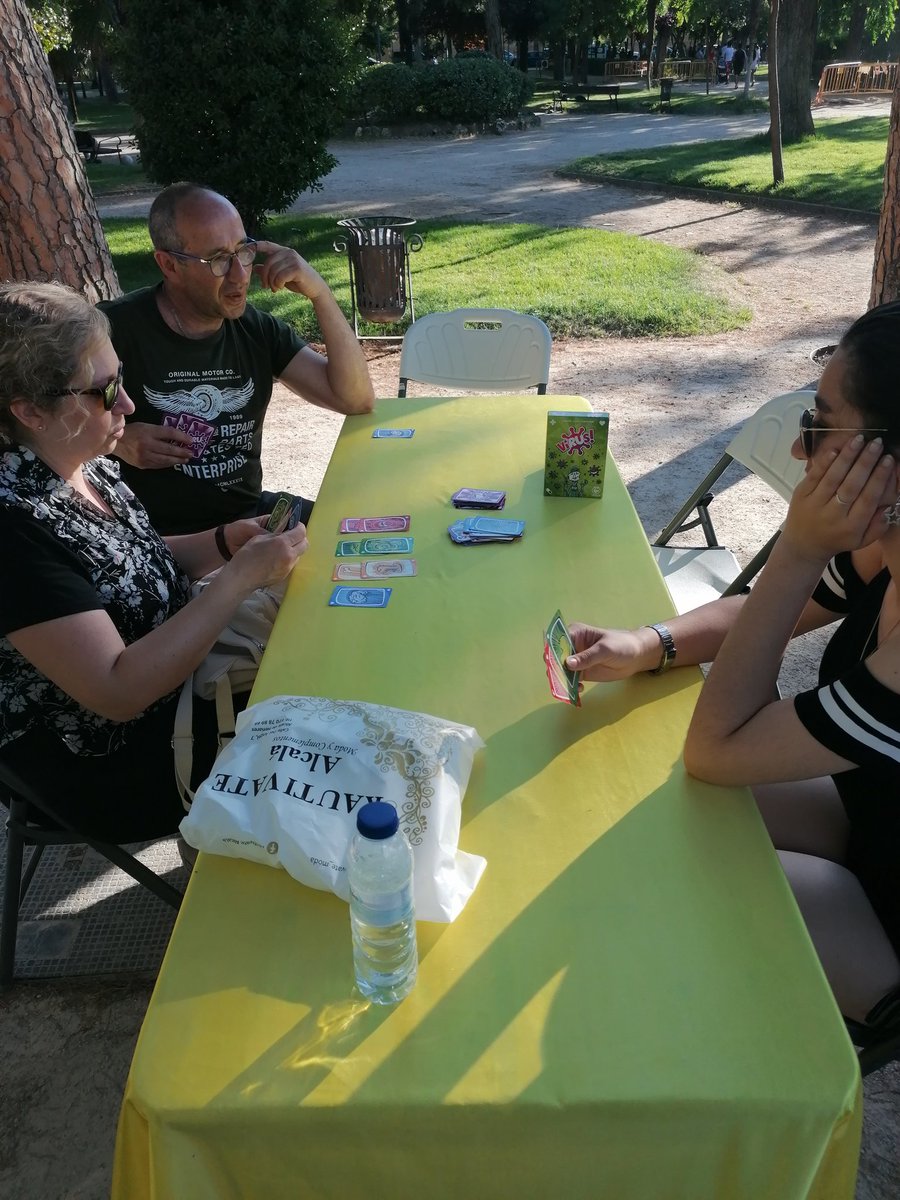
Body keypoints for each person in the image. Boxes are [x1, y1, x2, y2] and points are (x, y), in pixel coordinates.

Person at [565, 301, 900, 1025]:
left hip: (890, 927)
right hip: (868, 814)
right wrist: (648, 644)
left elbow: (714, 748)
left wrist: (802, 548)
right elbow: (756, 611)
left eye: (819, 426)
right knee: (638, 816)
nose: (801, 453)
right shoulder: (885, 547)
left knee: (660, 887)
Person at [0, 282, 308, 843]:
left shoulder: (78, 459)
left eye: (121, 378)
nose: (128, 405)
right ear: (30, 412)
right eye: (104, 390)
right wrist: (237, 579)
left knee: (327, 644)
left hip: (181, 686)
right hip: (111, 766)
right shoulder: (12, 530)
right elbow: (118, 693)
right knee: (322, 718)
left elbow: (122, 569)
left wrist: (221, 542)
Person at [100, 182, 375, 535]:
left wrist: (319, 292)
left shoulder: (255, 330)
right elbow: (40, 423)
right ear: (168, 265)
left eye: (244, 251)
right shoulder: (112, 331)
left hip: (250, 515)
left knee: (364, 530)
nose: (240, 275)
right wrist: (117, 441)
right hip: (161, 538)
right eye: (218, 260)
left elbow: (354, 398)